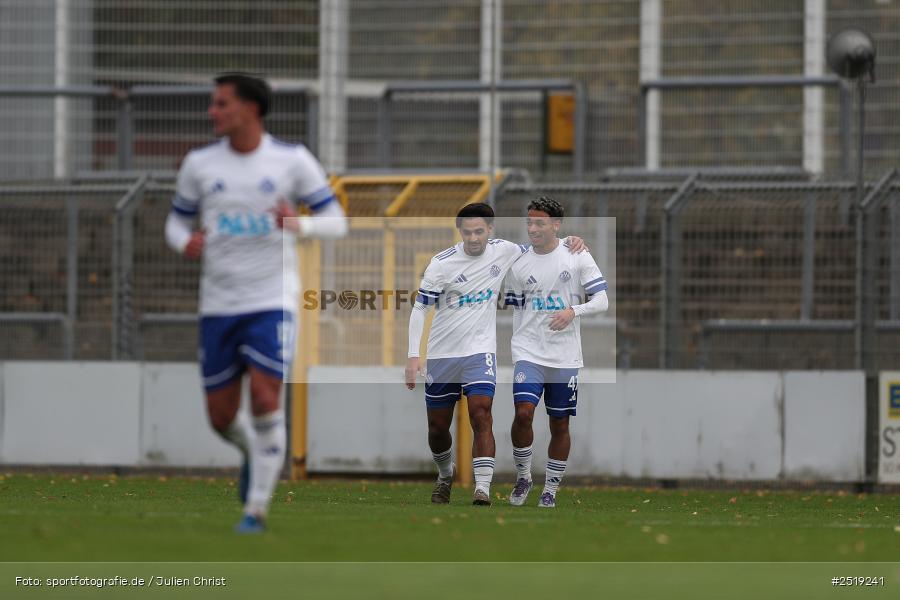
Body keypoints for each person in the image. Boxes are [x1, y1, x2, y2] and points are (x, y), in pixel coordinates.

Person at [164, 73, 347, 533]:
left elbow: (336, 221)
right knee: (221, 417)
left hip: (271, 299)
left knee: (266, 398)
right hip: (218, 305)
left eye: (221, 103)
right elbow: (176, 222)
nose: (212, 112)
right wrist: (184, 242)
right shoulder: (200, 164)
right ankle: (252, 450)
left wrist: (298, 225)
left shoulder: (291, 160)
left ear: (250, 109)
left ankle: (256, 510)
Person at [405, 203, 585, 506]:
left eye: (479, 231)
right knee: (437, 427)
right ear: (459, 232)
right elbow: (420, 308)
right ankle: (445, 474)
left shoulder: (505, 250)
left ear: (490, 230)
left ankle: (482, 489)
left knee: (481, 413)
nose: (473, 238)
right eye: (467, 232)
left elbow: (543, 245)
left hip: (480, 351)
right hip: (442, 354)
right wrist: (413, 356)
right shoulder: (441, 263)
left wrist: (569, 241)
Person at [503, 196, 608, 508]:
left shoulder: (576, 254)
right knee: (523, 413)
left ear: (557, 225)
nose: (533, 228)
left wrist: (573, 311)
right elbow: (515, 304)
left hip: (564, 356)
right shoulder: (518, 260)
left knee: (559, 423)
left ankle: (550, 488)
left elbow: (602, 301)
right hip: (528, 352)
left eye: (540, 223)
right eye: (529, 222)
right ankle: (523, 476)